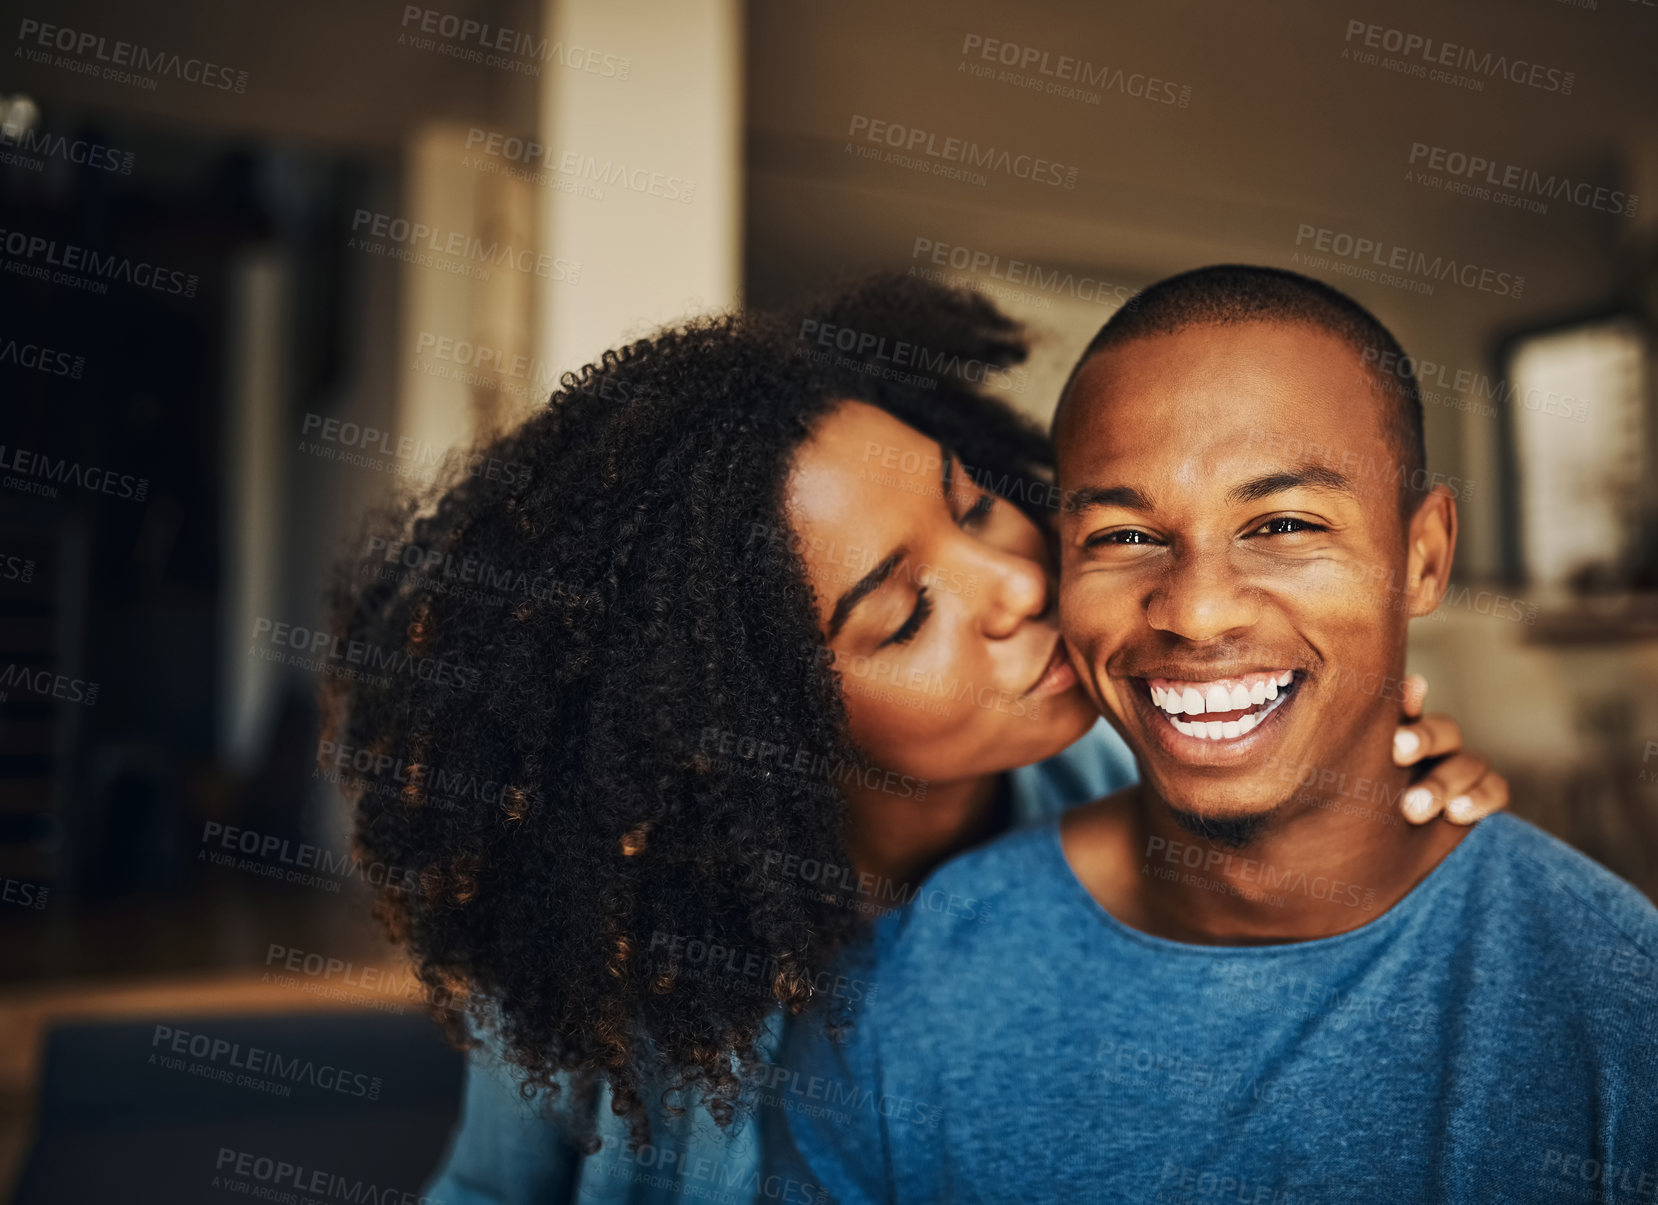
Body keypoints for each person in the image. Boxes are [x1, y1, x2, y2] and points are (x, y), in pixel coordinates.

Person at [322, 274, 1507, 1204]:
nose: (1009, 578)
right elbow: (490, 1188)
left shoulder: (1169, 800)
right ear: (753, 717)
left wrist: (1376, 810)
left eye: (976, 501)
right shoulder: (614, 929)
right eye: (902, 612)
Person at [781, 266, 1658, 1203]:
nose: (1195, 614)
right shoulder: (893, 1004)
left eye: (1281, 523)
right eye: (1123, 536)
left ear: (1424, 557)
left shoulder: (1618, 1001)